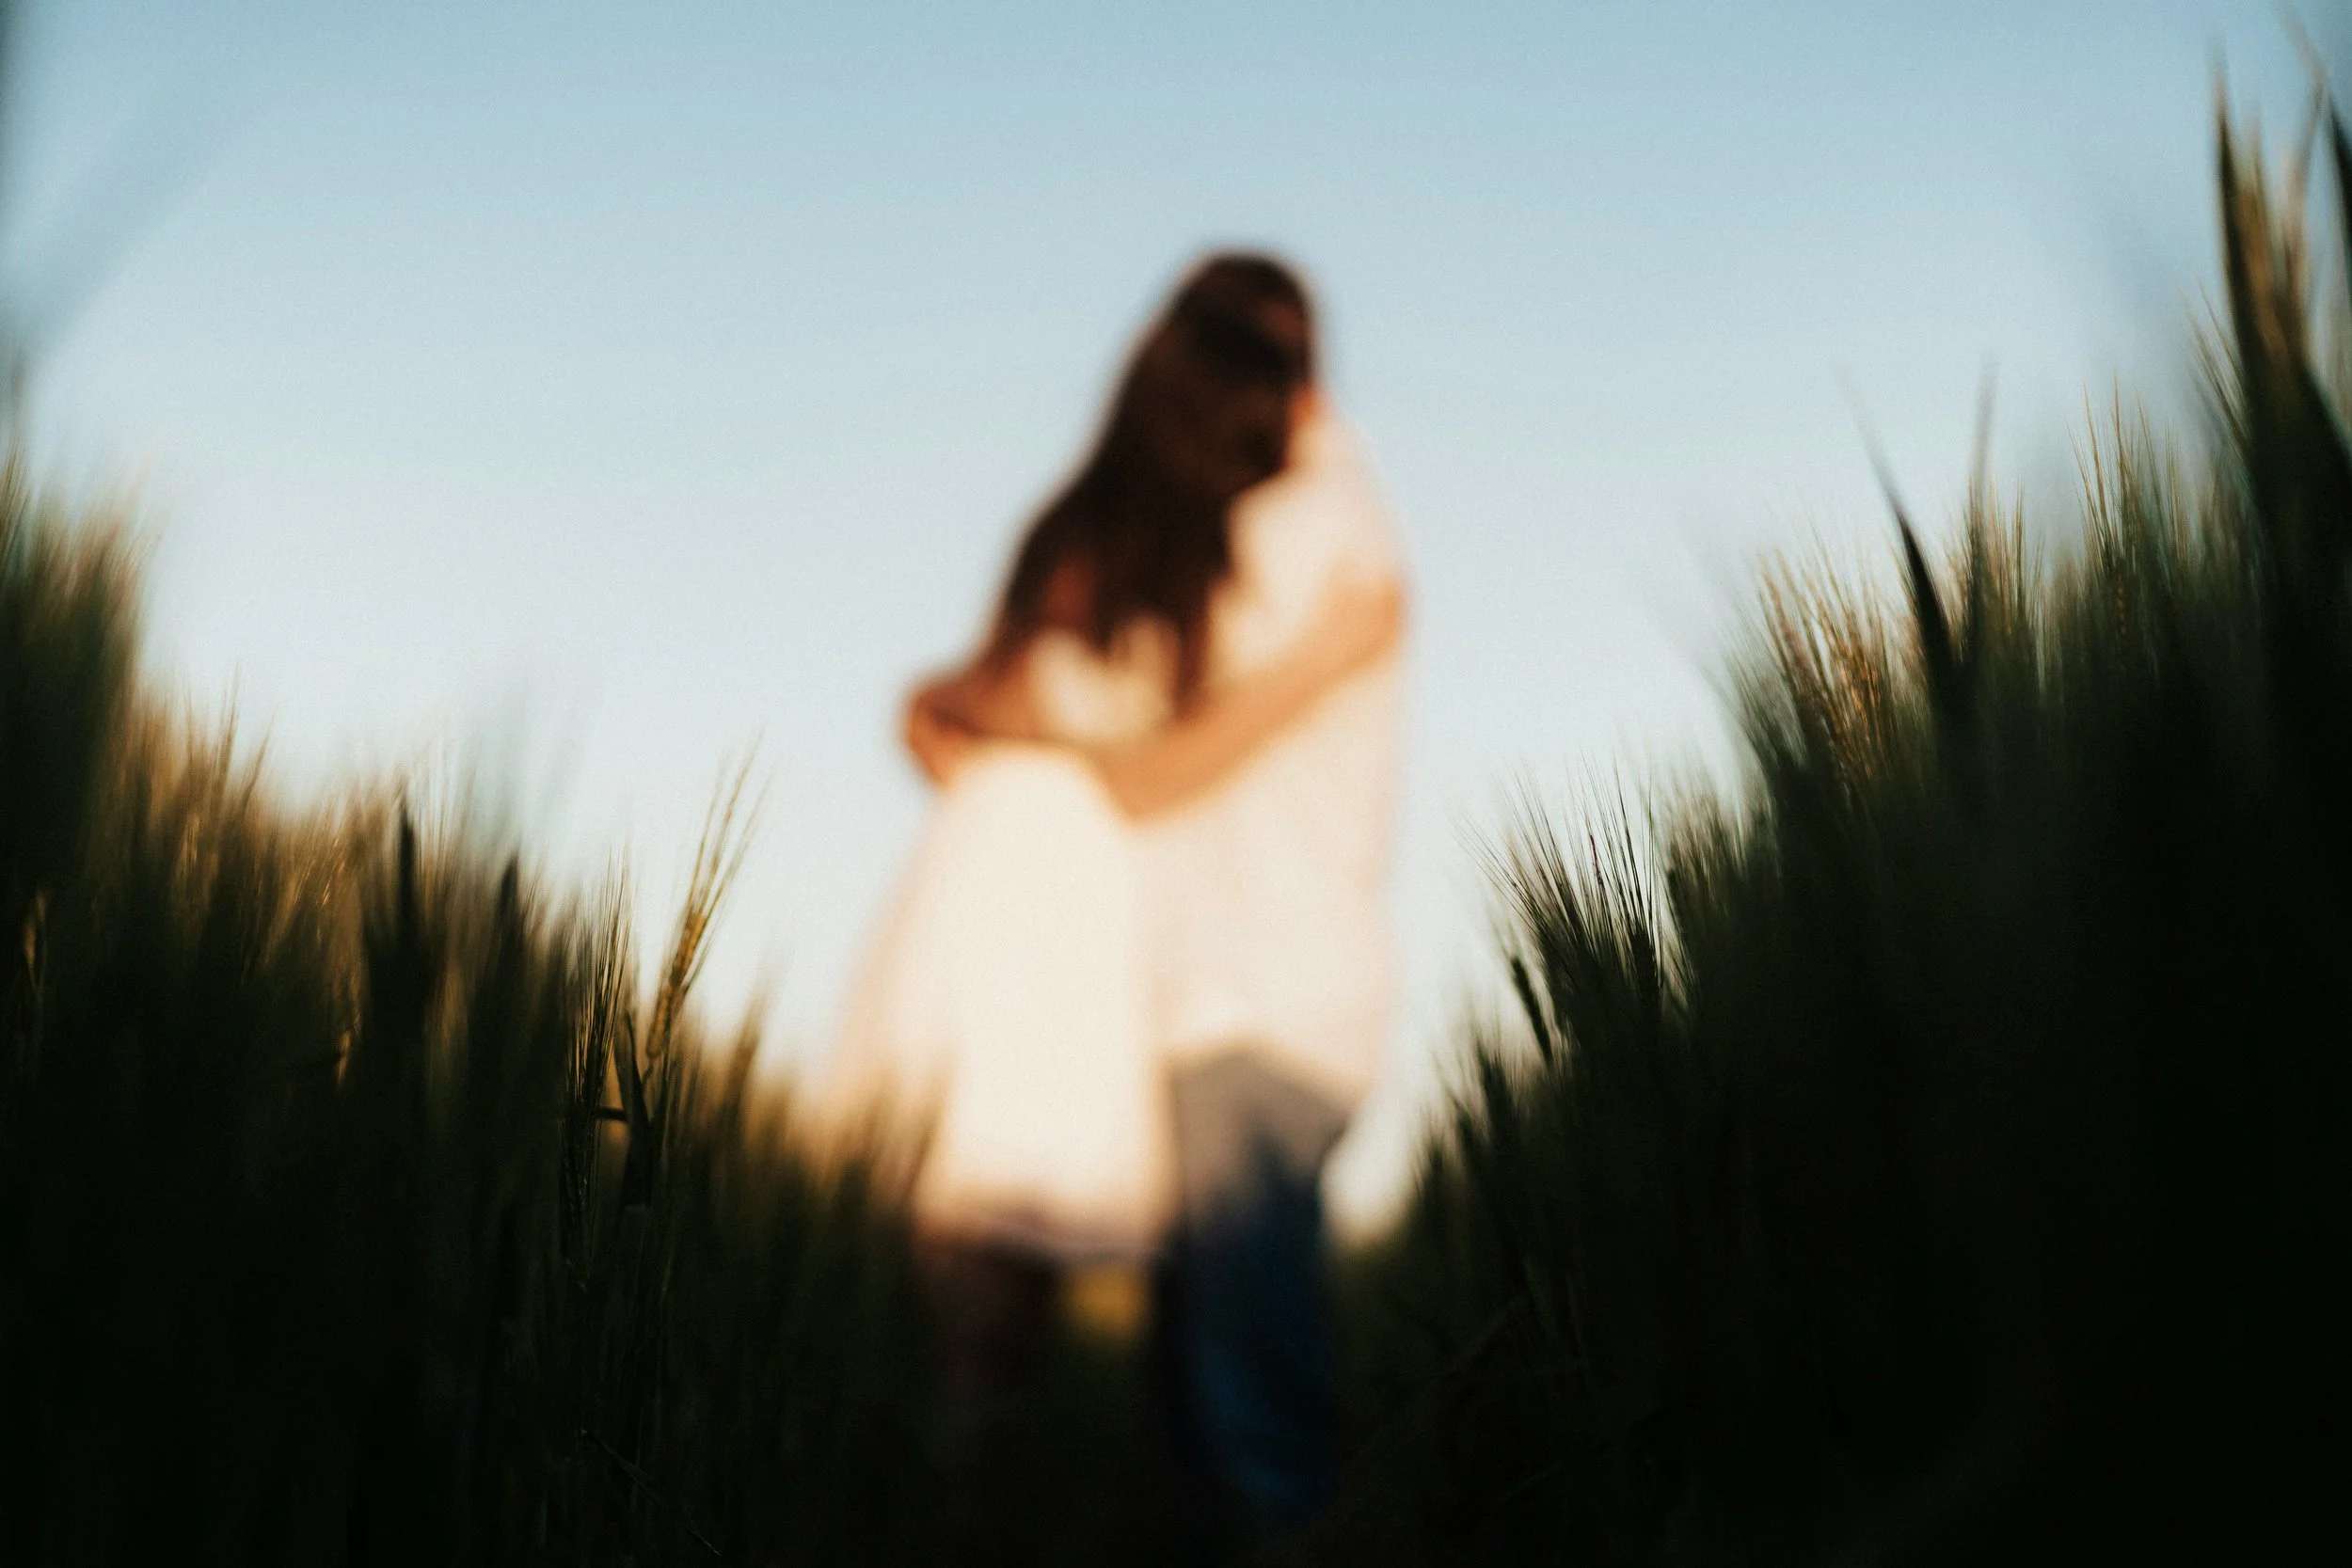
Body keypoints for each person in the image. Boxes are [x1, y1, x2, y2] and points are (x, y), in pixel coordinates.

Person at [821, 256, 1404, 1452]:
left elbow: (976, 718)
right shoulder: (1145, 542)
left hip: (1139, 954)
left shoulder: (1271, 531)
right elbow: (978, 714)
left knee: (1157, 1345)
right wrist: (959, 727)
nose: (1308, 397)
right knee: (1005, 1305)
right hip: (1049, 931)